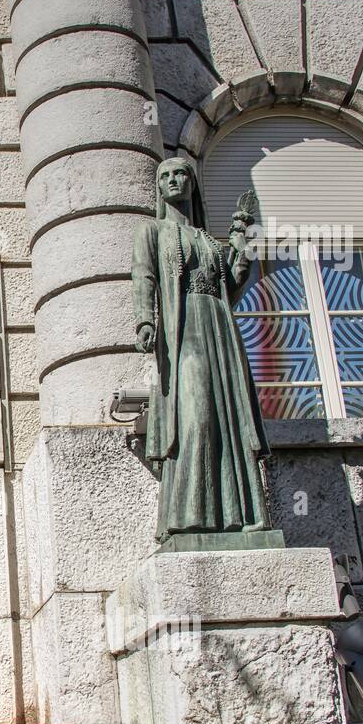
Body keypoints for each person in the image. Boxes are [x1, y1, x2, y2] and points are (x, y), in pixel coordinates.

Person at [132, 156, 269, 544]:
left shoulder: (209, 240)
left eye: (180, 174)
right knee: (195, 417)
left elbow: (233, 288)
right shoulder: (152, 231)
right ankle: (186, 516)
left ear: (192, 183)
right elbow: (143, 275)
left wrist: (241, 252)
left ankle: (241, 517)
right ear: (159, 188)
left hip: (219, 330)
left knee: (230, 423)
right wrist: (144, 320)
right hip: (183, 329)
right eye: (166, 176)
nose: (174, 181)